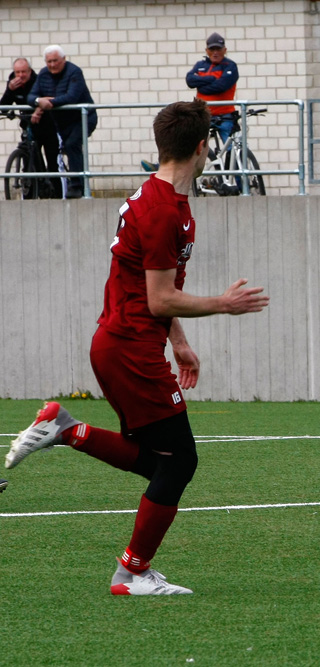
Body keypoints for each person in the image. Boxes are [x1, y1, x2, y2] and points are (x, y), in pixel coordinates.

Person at [5, 99, 270, 595]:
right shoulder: (164, 209)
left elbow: (148, 286)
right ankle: (132, 572)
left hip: (124, 343)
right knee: (180, 462)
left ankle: (68, 429)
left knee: (160, 462)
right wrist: (223, 304)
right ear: (201, 146)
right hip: (128, 348)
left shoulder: (161, 197)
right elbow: (159, 296)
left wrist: (180, 341)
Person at [142, 33, 239, 173]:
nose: (215, 52)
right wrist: (213, 78)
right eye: (212, 49)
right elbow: (190, 81)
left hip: (226, 116)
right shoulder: (200, 65)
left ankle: (239, 183)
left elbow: (221, 86)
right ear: (207, 51)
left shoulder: (230, 66)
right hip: (204, 114)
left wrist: (203, 83)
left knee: (233, 150)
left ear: (225, 50)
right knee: (184, 139)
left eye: (218, 49)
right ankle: (162, 166)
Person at [27, 45, 98, 199]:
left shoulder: (74, 72)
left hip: (83, 118)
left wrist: (49, 103)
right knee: (66, 147)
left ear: (63, 60)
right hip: (62, 122)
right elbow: (31, 96)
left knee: (73, 144)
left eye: (55, 61)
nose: (52, 65)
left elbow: (71, 96)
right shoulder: (44, 74)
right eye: (49, 61)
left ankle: (77, 186)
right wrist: (39, 101)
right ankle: (73, 181)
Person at [1, 57, 60, 196]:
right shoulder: (12, 83)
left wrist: (38, 111)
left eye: (23, 72)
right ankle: (30, 195)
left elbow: (47, 100)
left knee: (52, 163)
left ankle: (58, 194)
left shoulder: (38, 81)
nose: (20, 75)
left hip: (46, 126)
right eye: (17, 72)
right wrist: (10, 90)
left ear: (29, 71)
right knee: (28, 161)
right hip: (28, 125)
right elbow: (4, 105)